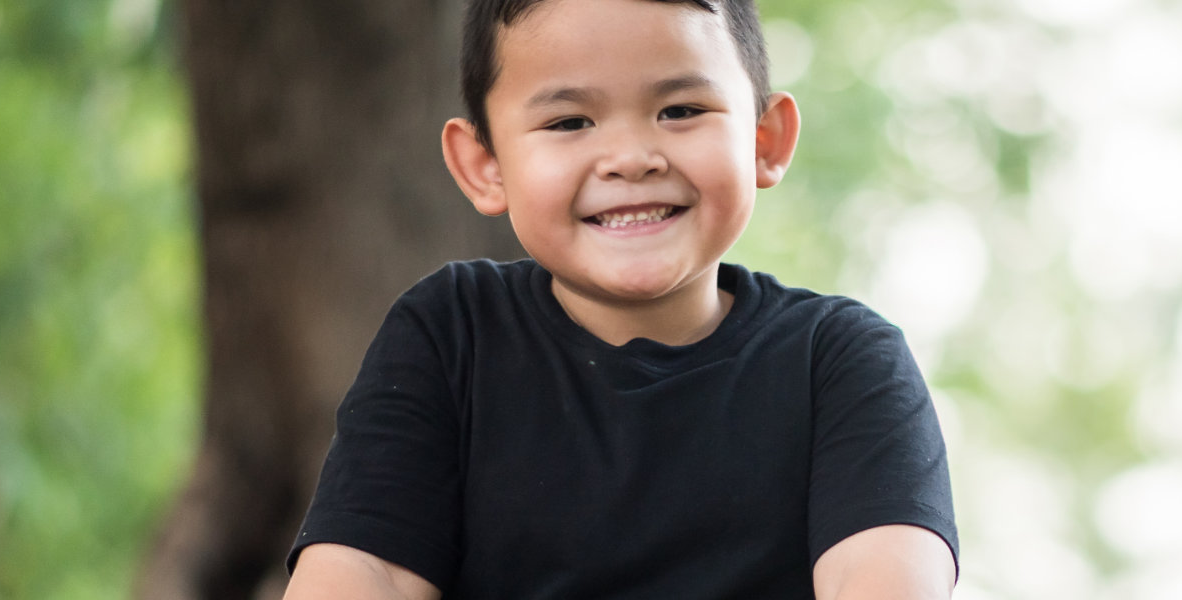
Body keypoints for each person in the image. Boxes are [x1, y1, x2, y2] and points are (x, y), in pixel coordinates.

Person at [280, 0, 958, 597]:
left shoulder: (839, 362)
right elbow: (369, 573)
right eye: (570, 122)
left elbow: (881, 576)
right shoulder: (451, 334)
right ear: (484, 166)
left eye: (680, 111)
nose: (631, 157)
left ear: (764, 141)